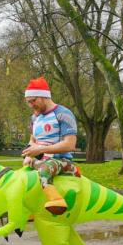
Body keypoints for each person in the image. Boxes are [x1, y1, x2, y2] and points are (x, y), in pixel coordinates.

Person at [21, 77, 80, 215]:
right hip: (41, 160)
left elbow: (70, 144)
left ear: (43, 97)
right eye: (28, 102)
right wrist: (29, 154)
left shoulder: (63, 114)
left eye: (33, 101)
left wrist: (40, 149)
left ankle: (57, 201)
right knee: (22, 177)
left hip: (61, 160)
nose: (31, 105)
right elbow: (33, 140)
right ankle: (30, 209)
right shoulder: (35, 118)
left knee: (44, 169)